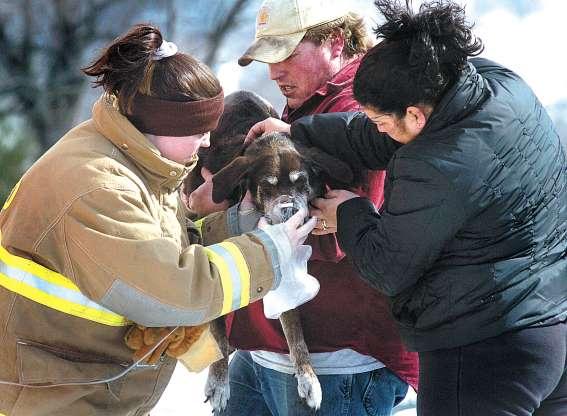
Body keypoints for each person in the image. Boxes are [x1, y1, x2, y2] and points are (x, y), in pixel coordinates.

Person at [247, 1, 567, 415]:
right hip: (550, 324)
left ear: (414, 115)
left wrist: (348, 213)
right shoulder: (493, 85)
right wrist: (298, 130)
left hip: (481, 353)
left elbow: (388, 266)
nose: (374, 126)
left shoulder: (435, 166)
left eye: (379, 119)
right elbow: (378, 136)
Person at [0, 24, 317, 416]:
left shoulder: (133, 158)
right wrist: (269, 250)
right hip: (57, 394)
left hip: (84, 380)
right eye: (199, 131)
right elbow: (174, 292)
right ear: (162, 126)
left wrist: (236, 224)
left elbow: (161, 244)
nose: (205, 144)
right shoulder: (95, 187)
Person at [214, 1, 418, 415]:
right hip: (267, 349)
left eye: (287, 54)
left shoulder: (366, 107)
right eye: (269, 59)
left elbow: (336, 237)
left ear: (335, 42)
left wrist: (233, 213)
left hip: (340, 363)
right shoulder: (304, 101)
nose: (274, 72)